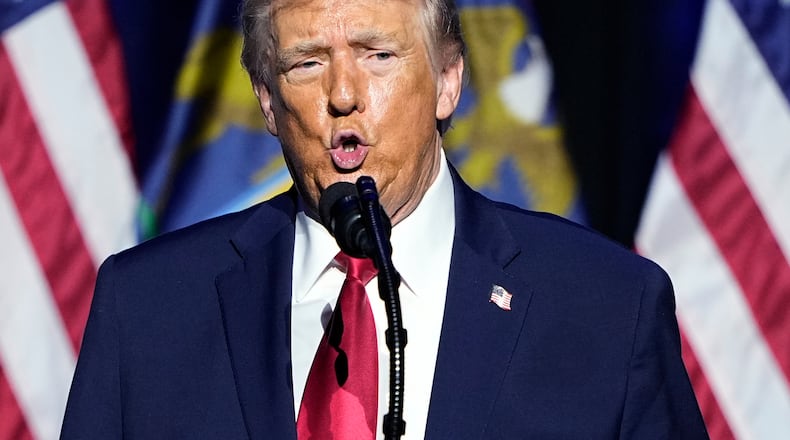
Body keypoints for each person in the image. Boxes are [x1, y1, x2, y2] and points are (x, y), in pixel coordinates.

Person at [60, 0, 709, 438]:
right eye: (307, 62)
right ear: (266, 101)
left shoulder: (607, 308)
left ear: (449, 80)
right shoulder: (146, 309)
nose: (343, 94)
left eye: (378, 55)